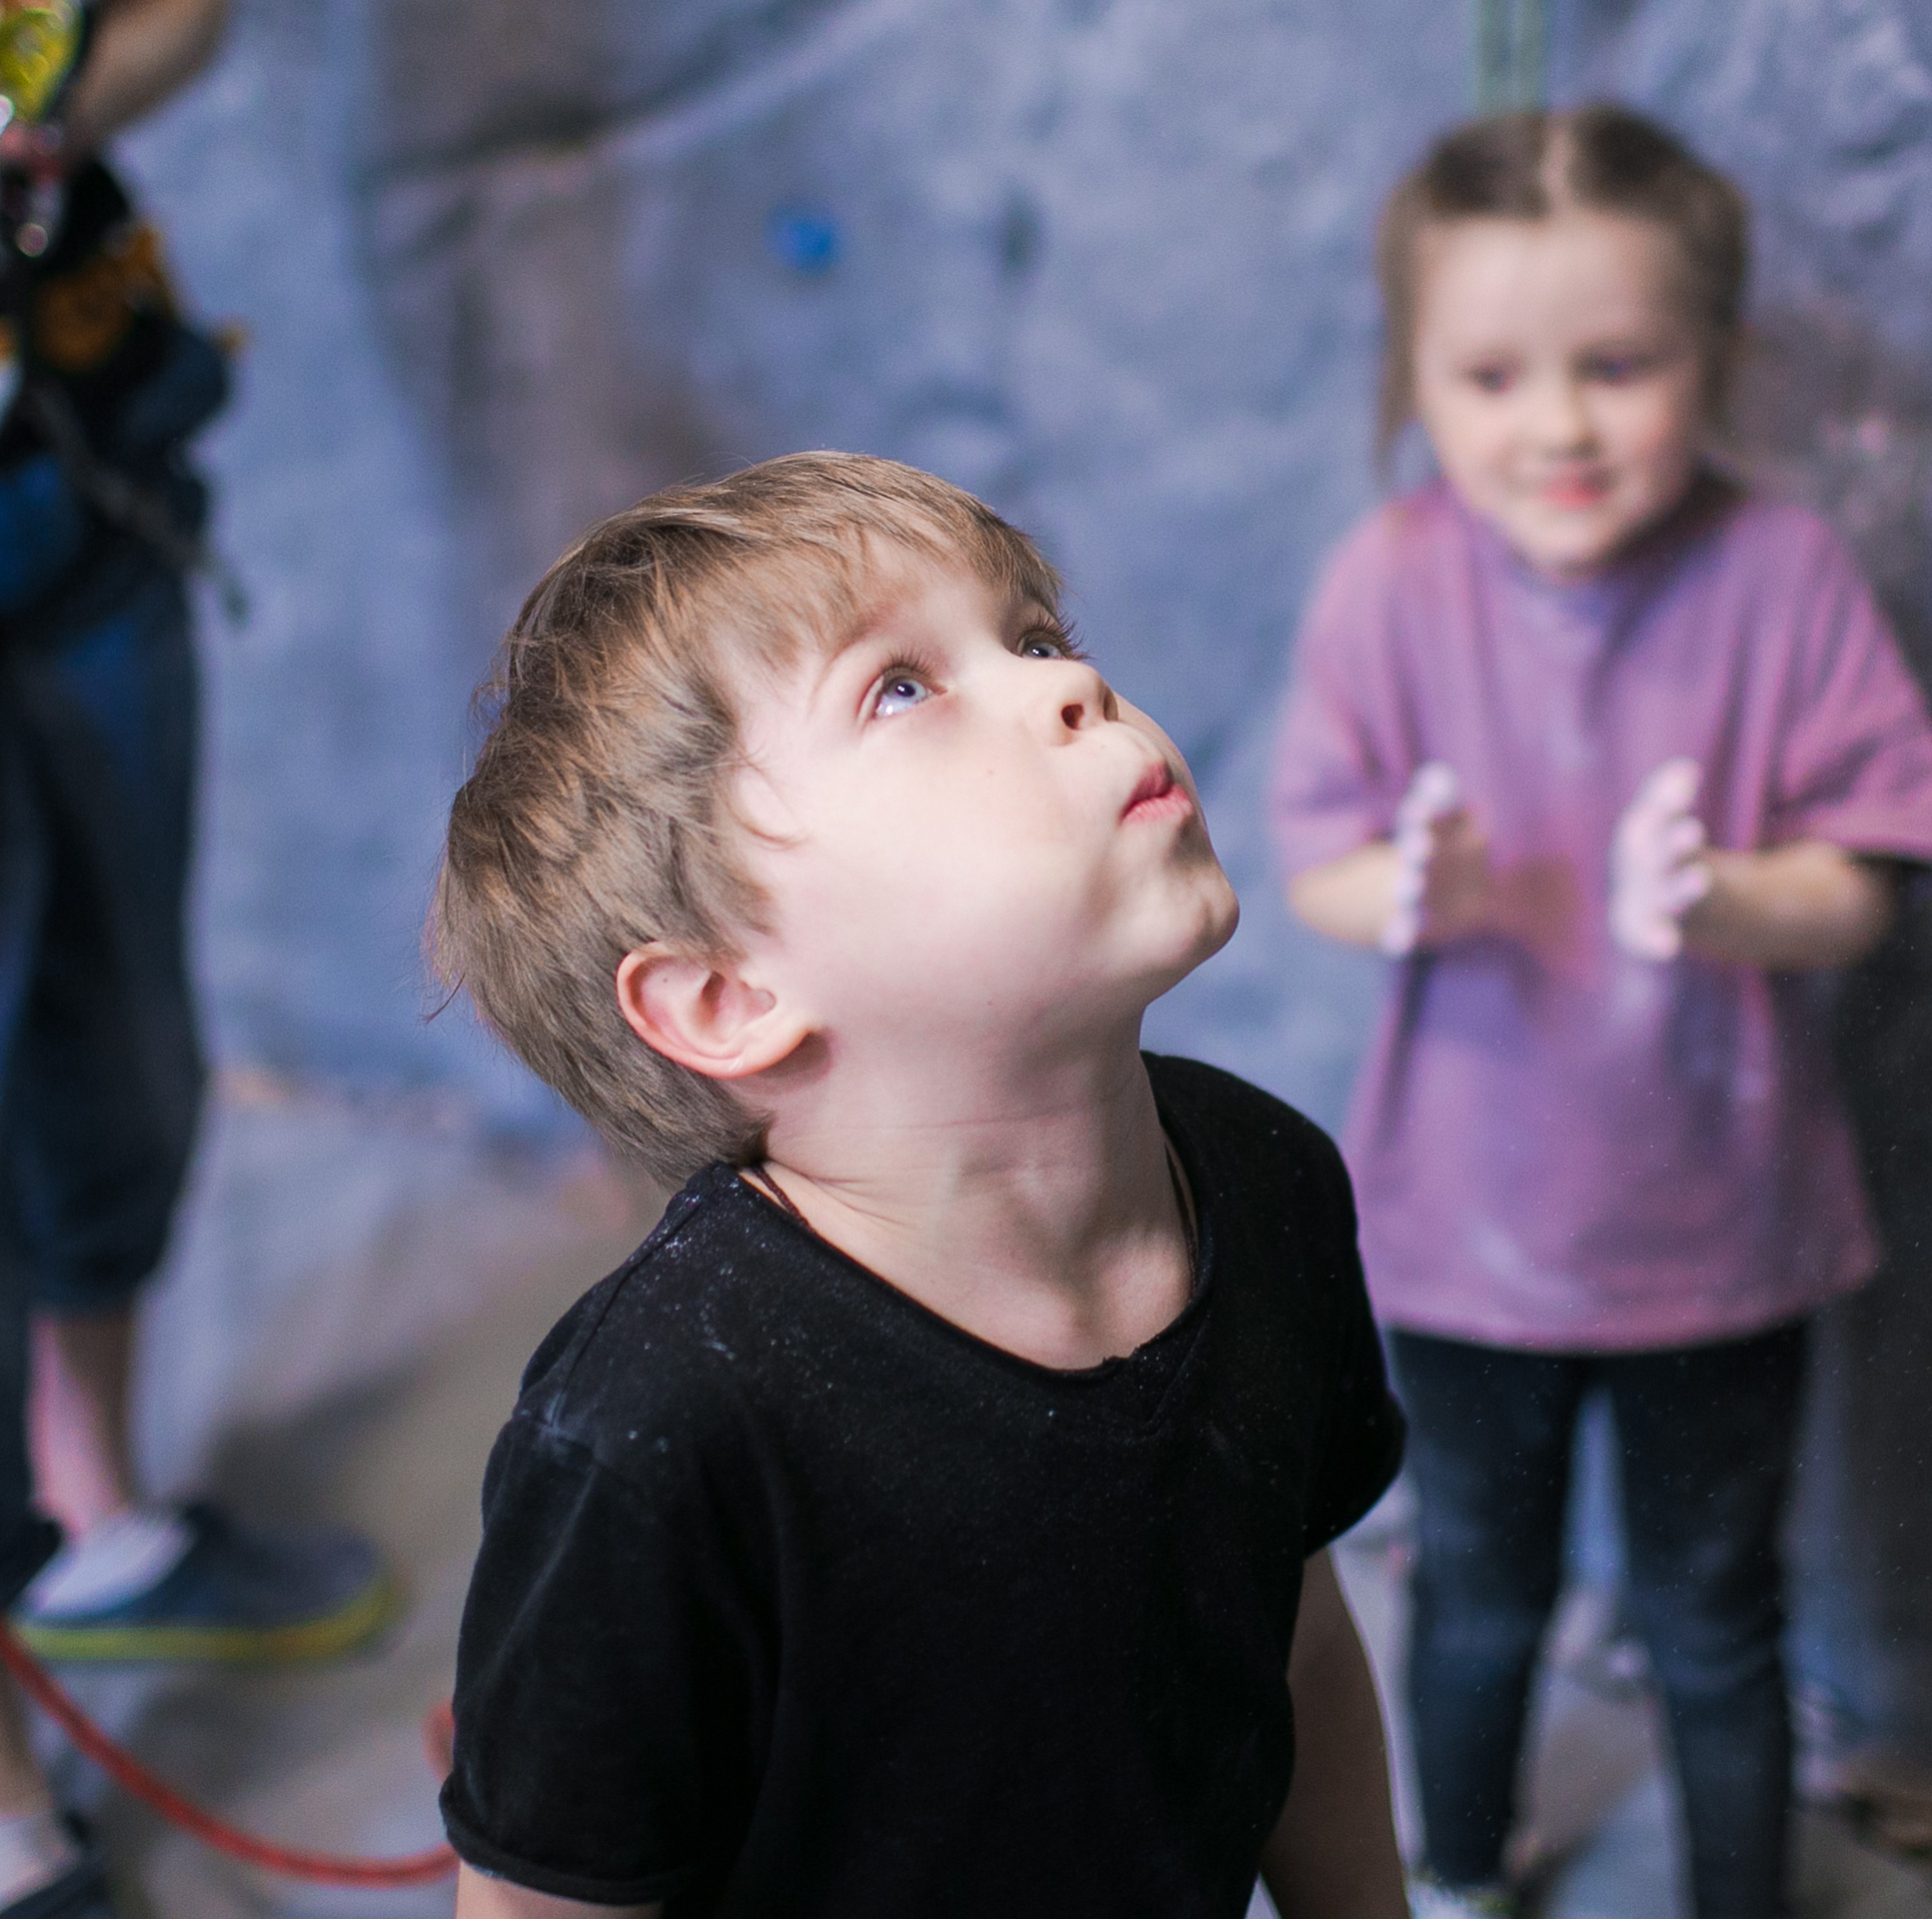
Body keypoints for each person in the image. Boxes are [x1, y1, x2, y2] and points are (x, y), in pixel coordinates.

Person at [428, 452, 1411, 1919]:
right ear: (722, 998)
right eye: (900, 687)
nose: (1069, 688)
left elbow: (1295, 1643)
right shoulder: (657, 1436)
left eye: (1033, 634)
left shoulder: (1270, 1185)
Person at [1271, 106, 1932, 1919]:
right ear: (1415, 376)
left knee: (1715, 1616)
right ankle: (1466, 1869)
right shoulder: (1393, 580)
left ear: (1717, 365)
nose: (1558, 425)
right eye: (1492, 375)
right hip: (1467, 1239)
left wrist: (1740, 901)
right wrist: (1409, 891)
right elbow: (1315, 854)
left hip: (1721, 1232)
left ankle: (1739, 1896)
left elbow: (1877, 869)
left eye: (1621, 365)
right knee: (1476, 1591)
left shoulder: (1781, 576)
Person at [0, 1, 386, 1911]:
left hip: (73, 480)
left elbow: (173, 12)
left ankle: (95, 1524)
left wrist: (37, 97)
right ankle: (6, 1820)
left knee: (116, 1058)